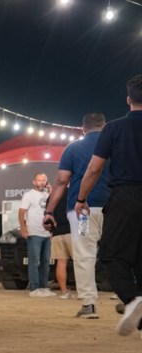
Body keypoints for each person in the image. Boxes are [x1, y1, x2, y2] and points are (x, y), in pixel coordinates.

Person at [76, 75, 142, 337]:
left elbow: (94, 169)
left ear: (128, 99)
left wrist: (81, 199)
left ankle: (131, 298)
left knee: (111, 253)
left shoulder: (113, 129)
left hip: (125, 195)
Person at [44, 113, 110, 319]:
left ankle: (89, 305)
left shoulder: (72, 148)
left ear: (83, 128)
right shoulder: (114, 142)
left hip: (83, 212)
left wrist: (49, 211)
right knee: (121, 250)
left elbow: (61, 181)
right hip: (114, 208)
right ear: (104, 125)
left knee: (84, 254)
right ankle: (130, 299)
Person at [19, 173, 54, 297]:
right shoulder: (29, 195)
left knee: (45, 261)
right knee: (34, 262)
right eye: (39, 180)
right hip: (34, 232)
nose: (42, 182)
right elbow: (21, 212)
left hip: (47, 233)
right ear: (34, 182)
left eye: (44, 180)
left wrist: (51, 191)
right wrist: (23, 229)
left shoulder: (48, 195)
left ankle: (44, 287)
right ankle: (34, 288)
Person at [46, 192, 74, 299]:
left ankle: (64, 292)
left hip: (57, 233)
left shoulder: (52, 195)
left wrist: (52, 232)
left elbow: (48, 216)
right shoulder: (76, 192)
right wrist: (83, 233)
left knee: (61, 262)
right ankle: (84, 292)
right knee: (80, 261)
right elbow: (82, 212)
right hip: (73, 232)